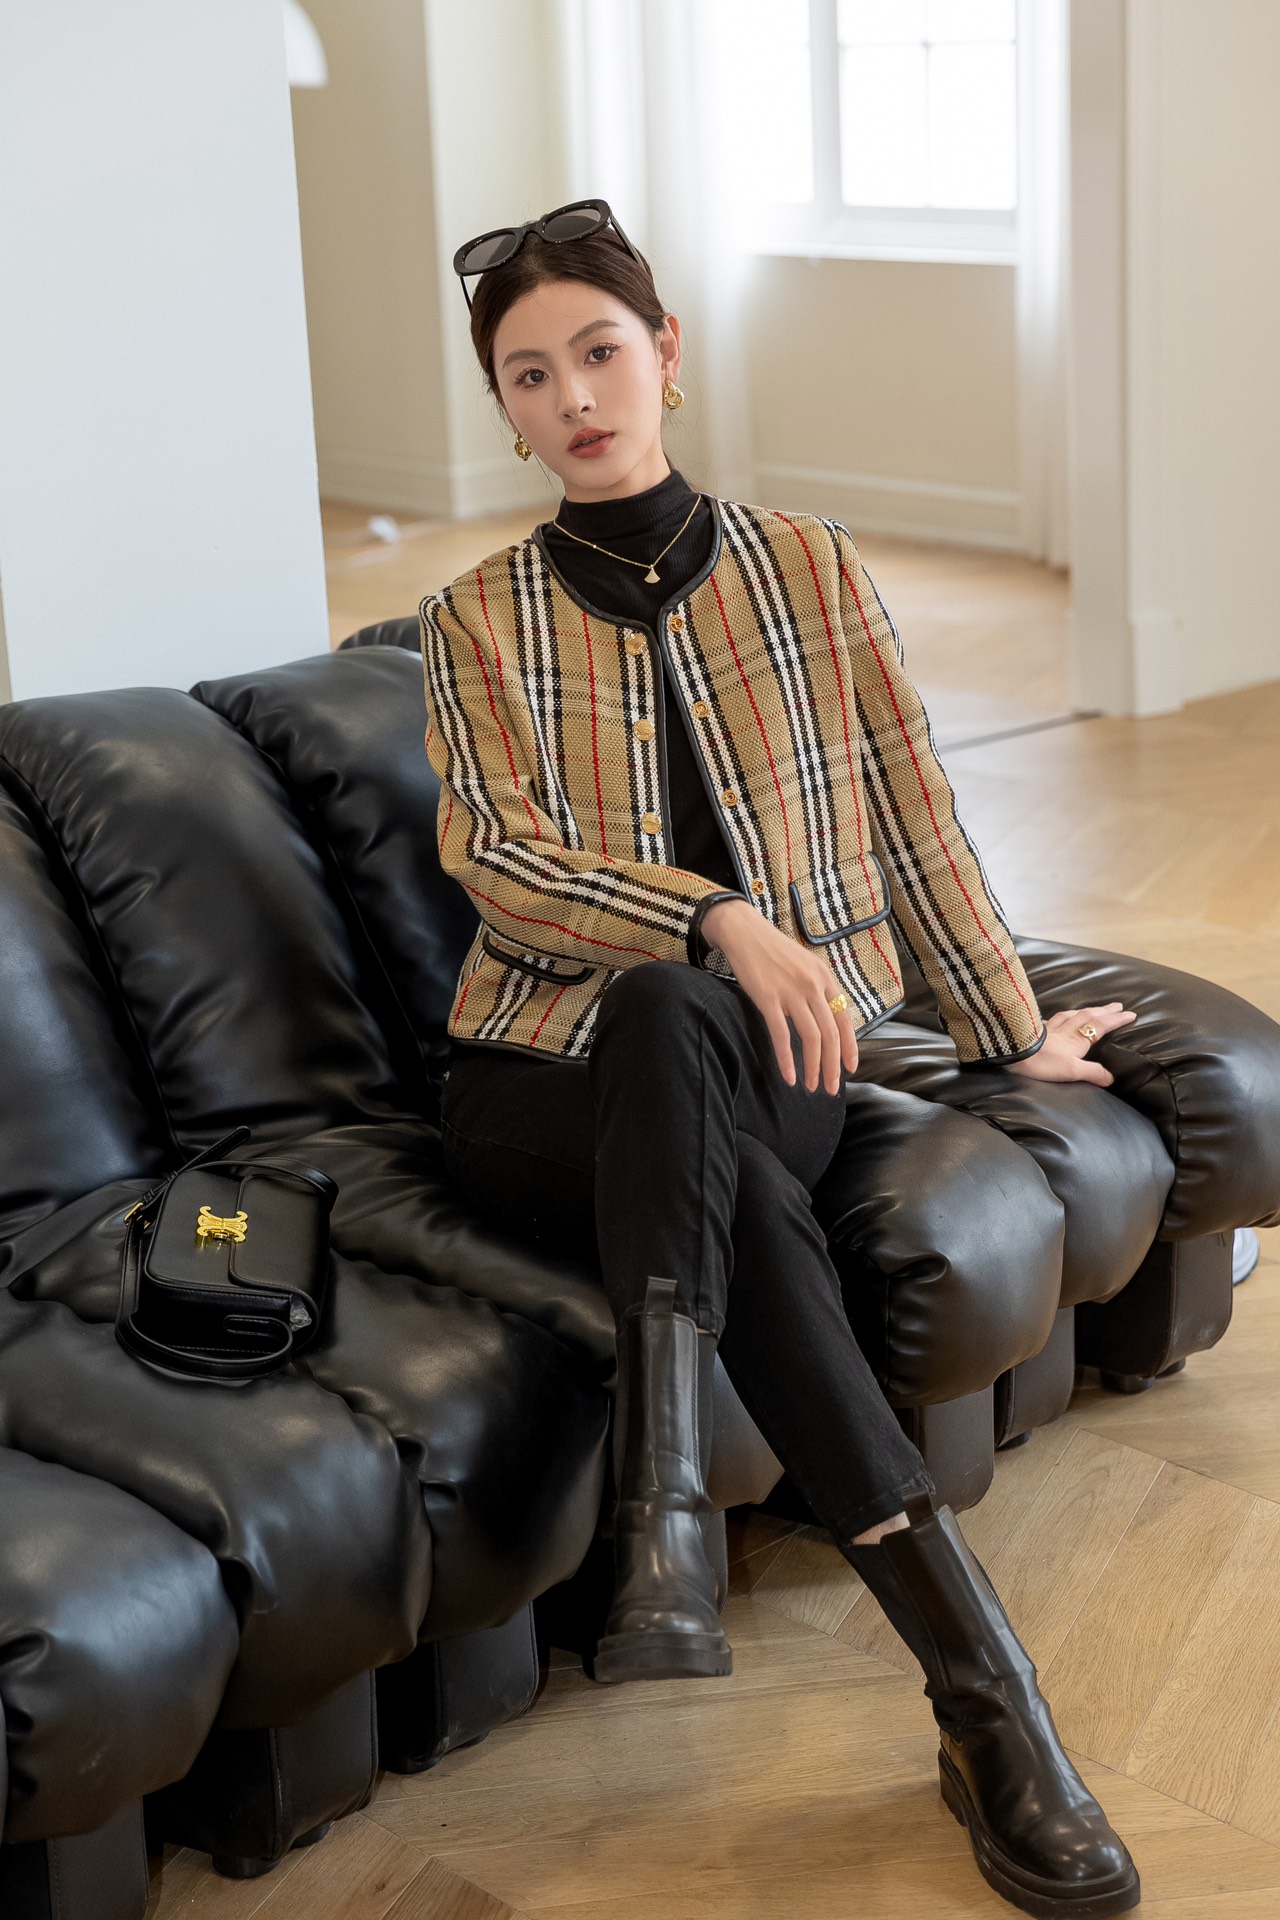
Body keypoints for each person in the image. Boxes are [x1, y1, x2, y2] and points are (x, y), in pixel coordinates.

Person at [420, 199, 1139, 1919]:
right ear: (505, 410)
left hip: (778, 1063)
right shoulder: (474, 620)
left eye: (600, 352)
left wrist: (1004, 1027)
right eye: (531, 375)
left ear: (666, 354)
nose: (575, 397)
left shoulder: (808, 569)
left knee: (694, 1039)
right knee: (672, 1013)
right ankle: (987, 1705)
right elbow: (499, 863)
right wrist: (711, 917)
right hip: (533, 1077)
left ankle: (672, 1511)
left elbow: (914, 810)